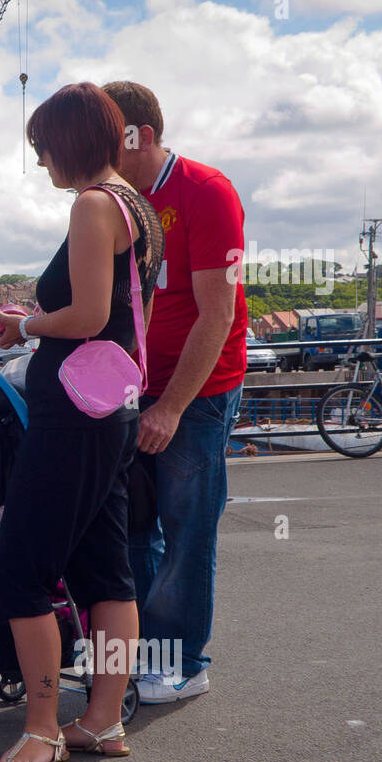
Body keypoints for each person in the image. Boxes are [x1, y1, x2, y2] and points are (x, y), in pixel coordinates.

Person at [0, 82, 163, 762]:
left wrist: (22, 325)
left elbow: (88, 315)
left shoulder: (92, 205)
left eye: (41, 147)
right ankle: (102, 717)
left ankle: (40, 726)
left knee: (19, 571)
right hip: (111, 411)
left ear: (69, 141)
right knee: (107, 576)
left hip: (73, 416)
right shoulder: (136, 204)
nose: (39, 162)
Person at [102, 81, 247, 704]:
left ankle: (184, 661)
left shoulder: (205, 193)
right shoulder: (116, 200)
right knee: (134, 526)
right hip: (136, 387)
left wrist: (172, 405)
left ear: (145, 136)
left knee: (186, 527)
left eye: (113, 142)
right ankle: (143, 650)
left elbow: (217, 315)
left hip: (196, 392)